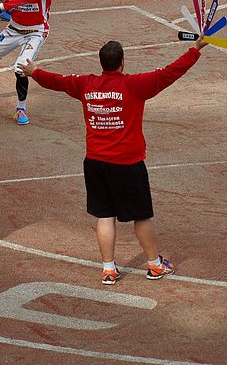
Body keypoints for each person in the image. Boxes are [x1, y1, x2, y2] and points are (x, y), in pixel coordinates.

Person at [21, 38, 208, 284]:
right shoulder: (133, 84)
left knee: (105, 215)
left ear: (102, 63)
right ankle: (154, 265)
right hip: (128, 164)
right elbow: (169, 73)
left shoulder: (85, 84)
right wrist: (194, 50)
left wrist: (34, 72)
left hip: (95, 162)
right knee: (141, 215)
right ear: (122, 62)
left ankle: (108, 269)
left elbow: (59, 81)